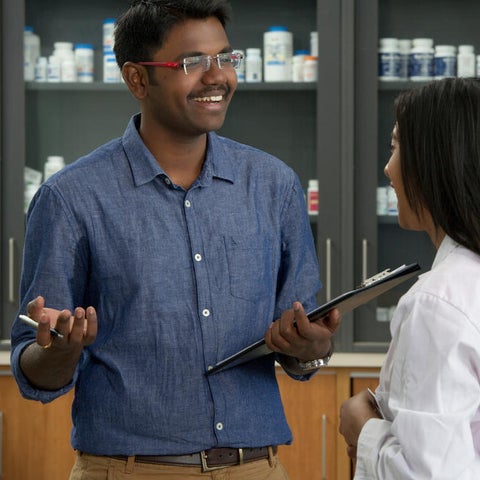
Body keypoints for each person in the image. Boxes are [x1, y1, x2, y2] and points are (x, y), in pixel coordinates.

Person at [10, 1, 340, 479]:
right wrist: (58, 352)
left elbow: (302, 347)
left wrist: (310, 348)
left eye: (226, 58)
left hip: (256, 468)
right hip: (128, 470)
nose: (218, 76)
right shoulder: (71, 198)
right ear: (137, 79)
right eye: (192, 62)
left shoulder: (273, 186)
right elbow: (33, 365)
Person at [339, 77, 480, 479]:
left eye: (396, 146)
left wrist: (361, 427)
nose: (387, 168)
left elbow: (425, 474)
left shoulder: (439, 302)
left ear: (434, 161)